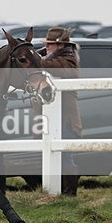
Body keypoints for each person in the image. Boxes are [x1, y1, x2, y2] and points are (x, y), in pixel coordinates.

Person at [35, 28, 82, 196]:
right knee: (54, 156)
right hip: (52, 118)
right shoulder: (52, 57)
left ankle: (69, 194)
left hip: (65, 118)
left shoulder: (68, 60)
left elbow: (53, 66)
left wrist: (36, 60)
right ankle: (59, 192)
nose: (47, 47)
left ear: (60, 45)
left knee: (66, 156)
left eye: (50, 44)